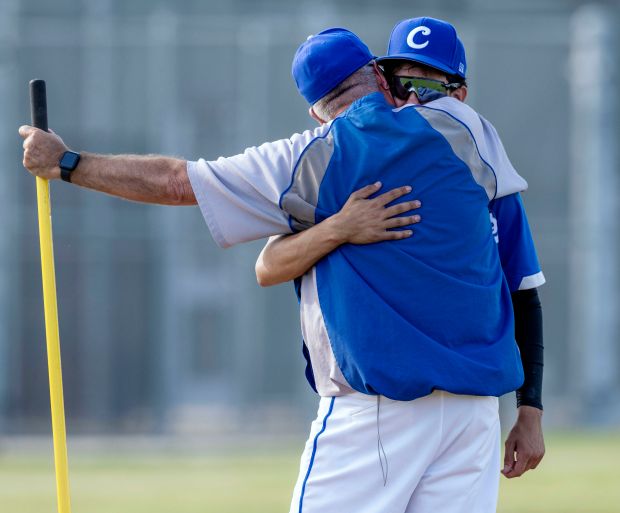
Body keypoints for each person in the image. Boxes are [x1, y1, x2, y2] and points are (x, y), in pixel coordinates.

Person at [18, 22, 538, 513]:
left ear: (315, 111)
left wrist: (67, 163)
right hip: (475, 416)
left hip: (380, 410)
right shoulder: (472, 131)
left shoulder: (309, 161)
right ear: (381, 78)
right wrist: (338, 228)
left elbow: (178, 182)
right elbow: (269, 263)